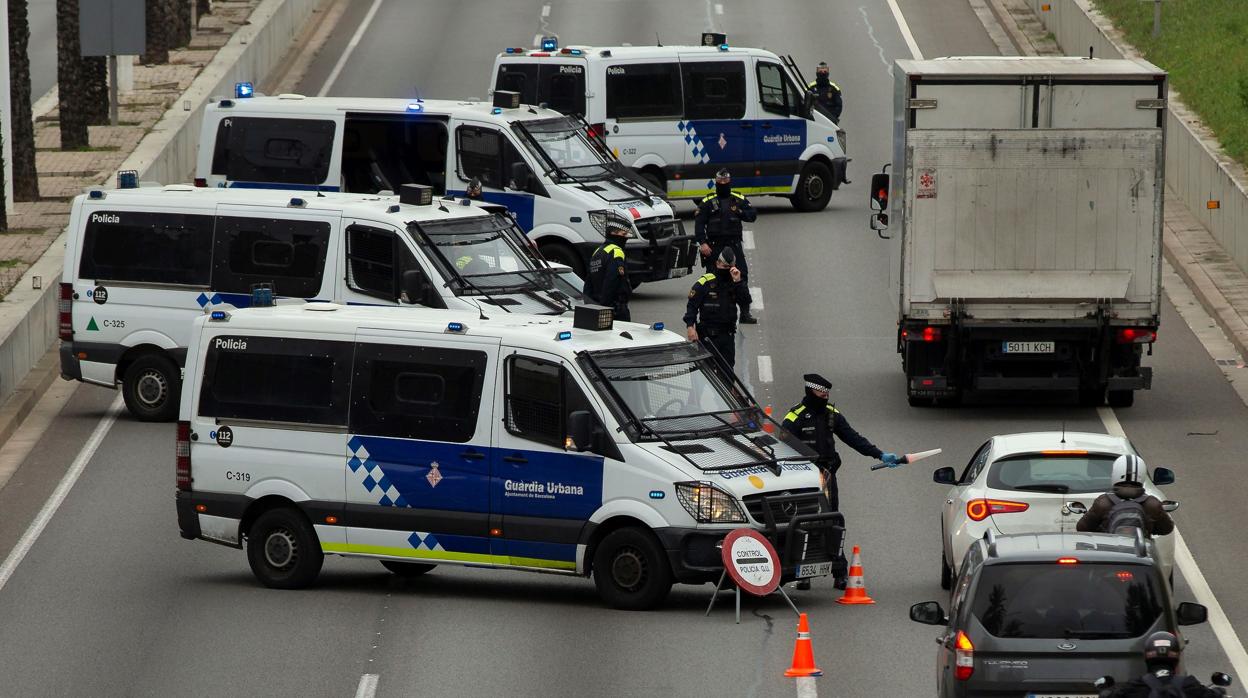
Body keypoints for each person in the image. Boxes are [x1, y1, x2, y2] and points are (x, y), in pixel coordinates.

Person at [782, 373, 900, 513]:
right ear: (810, 392)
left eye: (827, 396)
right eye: (822, 395)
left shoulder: (831, 414)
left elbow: (853, 438)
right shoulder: (795, 416)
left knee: (831, 517)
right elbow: (783, 449)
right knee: (806, 515)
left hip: (828, 473)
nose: (825, 399)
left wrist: (880, 454)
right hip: (804, 476)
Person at [694, 168, 758, 324]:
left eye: (725, 181)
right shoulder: (707, 201)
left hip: (734, 244)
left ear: (730, 182)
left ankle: (744, 312)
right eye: (720, 181)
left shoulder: (738, 198)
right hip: (714, 246)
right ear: (716, 182)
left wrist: (740, 211)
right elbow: (699, 224)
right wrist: (702, 243)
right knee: (712, 278)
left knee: (741, 276)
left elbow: (752, 216)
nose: (722, 184)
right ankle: (712, 311)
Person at [1076, 454, 1175, 537]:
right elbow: (1166, 529)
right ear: (1142, 475)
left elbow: (1082, 528)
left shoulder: (1103, 502)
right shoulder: (1152, 504)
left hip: (1109, 555)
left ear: (1115, 473)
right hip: (1140, 557)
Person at [1100, 631, 1224, 697]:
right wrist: (1219, 691)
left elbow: (1110, 695)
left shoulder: (1135, 686)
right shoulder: (1189, 684)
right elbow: (1211, 695)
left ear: (1147, 656)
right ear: (1176, 656)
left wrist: (1106, 690)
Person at [684, 247, 745, 368]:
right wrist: (690, 327)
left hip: (727, 337)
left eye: (729, 267)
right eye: (724, 266)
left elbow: (745, 301)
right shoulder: (705, 283)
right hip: (708, 338)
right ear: (717, 263)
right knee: (705, 372)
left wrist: (738, 282)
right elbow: (692, 306)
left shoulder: (734, 283)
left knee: (727, 374)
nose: (726, 270)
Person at [583, 212, 633, 321]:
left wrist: (591, 306)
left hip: (596, 307)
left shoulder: (598, 251)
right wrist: (608, 307)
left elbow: (588, 283)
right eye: (623, 234)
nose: (626, 238)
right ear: (614, 233)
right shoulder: (616, 251)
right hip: (615, 309)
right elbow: (612, 281)